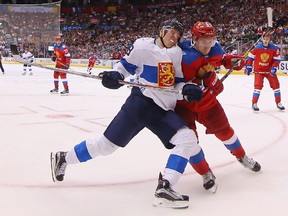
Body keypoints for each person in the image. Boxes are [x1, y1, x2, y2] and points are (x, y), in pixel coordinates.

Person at [50, 19, 206, 209]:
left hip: (162, 109)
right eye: (172, 32)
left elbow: (176, 82)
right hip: (140, 103)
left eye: (178, 35)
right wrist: (115, 75)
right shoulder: (142, 46)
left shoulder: (176, 54)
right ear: (161, 31)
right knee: (106, 146)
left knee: (187, 138)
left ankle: (165, 187)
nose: (175, 37)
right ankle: (64, 157)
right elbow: (124, 66)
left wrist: (188, 88)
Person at [176, 21, 261, 191]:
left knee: (226, 132)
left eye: (211, 41)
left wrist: (233, 61)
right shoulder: (180, 50)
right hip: (183, 105)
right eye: (203, 42)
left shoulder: (214, 49)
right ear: (194, 39)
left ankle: (242, 157)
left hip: (207, 102)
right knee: (190, 142)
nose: (208, 46)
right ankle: (205, 172)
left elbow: (222, 59)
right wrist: (205, 79)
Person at [244, 33, 285, 111]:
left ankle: (278, 102)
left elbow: (277, 59)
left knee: (276, 86)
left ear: (270, 39)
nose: (266, 41)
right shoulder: (256, 47)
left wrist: (274, 67)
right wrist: (248, 66)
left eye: (268, 39)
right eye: (265, 39)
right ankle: (254, 103)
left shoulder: (274, 48)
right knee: (258, 87)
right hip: (259, 70)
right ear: (262, 39)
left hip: (269, 71)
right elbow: (250, 58)